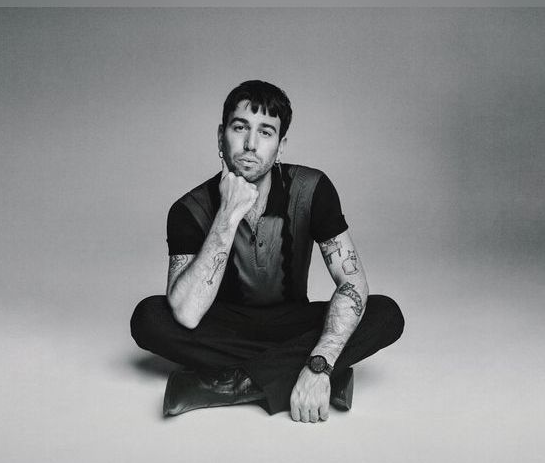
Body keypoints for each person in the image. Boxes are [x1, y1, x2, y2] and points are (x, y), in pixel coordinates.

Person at [130, 80, 404, 422]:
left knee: (384, 312)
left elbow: (352, 284)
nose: (250, 144)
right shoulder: (188, 209)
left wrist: (319, 364)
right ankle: (300, 374)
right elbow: (186, 314)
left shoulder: (312, 189)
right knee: (148, 318)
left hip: (294, 322)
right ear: (220, 137)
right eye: (240, 127)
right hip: (223, 325)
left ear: (281, 146)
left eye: (265, 132)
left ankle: (229, 384)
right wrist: (227, 216)